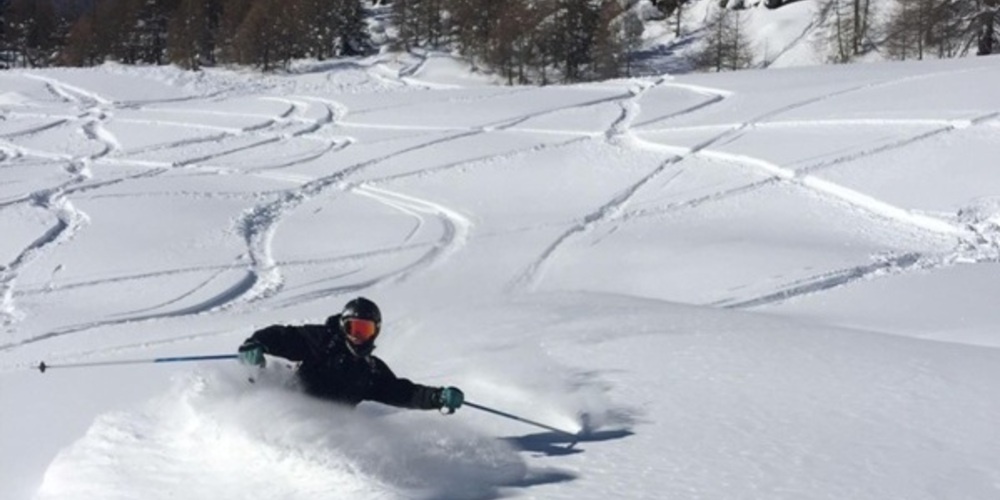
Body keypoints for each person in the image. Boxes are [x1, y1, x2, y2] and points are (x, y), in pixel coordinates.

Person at [237, 297, 464, 413]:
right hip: (286, 409)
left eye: (365, 330)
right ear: (343, 328)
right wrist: (257, 344)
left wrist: (437, 397)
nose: (358, 337)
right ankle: (256, 379)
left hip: (329, 430)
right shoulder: (323, 341)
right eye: (353, 329)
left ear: (376, 331)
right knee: (265, 381)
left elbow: (402, 392)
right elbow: (284, 336)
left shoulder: (369, 369)